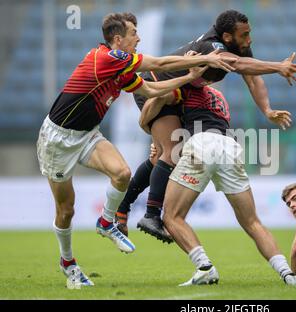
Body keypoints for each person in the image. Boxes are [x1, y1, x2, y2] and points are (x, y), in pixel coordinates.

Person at [36, 12, 236, 288]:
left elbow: (151, 89)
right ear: (118, 39)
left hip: (87, 135)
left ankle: (107, 222)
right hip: (57, 140)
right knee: (66, 210)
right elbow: (159, 63)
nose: (138, 37)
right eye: (133, 33)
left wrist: (188, 77)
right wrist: (203, 59)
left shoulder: (121, 70)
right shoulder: (108, 58)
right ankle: (68, 262)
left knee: (122, 173)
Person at [115, 9, 296, 242]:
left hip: (179, 92)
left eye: (249, 33)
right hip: (157, 86)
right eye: (244, 35)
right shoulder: (211, 46)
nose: (249, 39)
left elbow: (253, 78)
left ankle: (123, 207)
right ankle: (151, 215)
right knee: (172, 151)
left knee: (160, 158)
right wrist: (278, 67)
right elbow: (237, 64)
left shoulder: (238, 45)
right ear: (227, 37)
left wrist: (266, 110)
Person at [144, 74, 296, 286]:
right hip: (229, 146)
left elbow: (154, 104)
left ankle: (204, 267)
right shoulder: (218, 95)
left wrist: (150, 129)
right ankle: (288, 274)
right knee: (252, 222)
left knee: (171, 217)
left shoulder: (183, 87)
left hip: (202, 143)